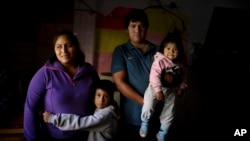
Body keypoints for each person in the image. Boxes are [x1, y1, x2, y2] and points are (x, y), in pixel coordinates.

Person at [23, 30, 100, 141]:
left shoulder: (90, 71)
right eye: (59, 47)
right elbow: (30, 107)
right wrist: (32, 138)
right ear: (54, 50)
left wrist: (114, 108)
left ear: (77, 47)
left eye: (68, 45)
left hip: (86, 135)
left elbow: (101, 95)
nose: (64, 50)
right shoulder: (45, 73)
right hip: (53, 136)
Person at [111, 9, 159, 141]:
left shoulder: (158, 51)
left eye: (141, 26)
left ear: (147, 28)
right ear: (127, 29)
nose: (137, 30)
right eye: (133, 26)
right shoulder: (121, 51)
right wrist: (146, 104)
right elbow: (120, 83)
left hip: (156, 118)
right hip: (131, 118)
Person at [139, 34, 188, 141]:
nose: (171, 52)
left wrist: (182, 87)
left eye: (175, 49)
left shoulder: (179, 65)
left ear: (180, 51)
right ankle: (144, 123)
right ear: (163, 49)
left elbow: (183, 77)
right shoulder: (160, 61)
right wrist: (158, 90)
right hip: (154, 87)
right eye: (168, 48)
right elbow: (154, 76)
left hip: (170, 90)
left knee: (170, 112)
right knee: (148, 105)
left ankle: (163, 131)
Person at [42, 79, 120, 141]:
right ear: (93, 98)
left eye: (106, 96)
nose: (101, 100)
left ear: (111, 99)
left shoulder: (105, 115)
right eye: (98, 95)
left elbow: (81, 123)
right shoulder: (104, 110)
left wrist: (53, 119)